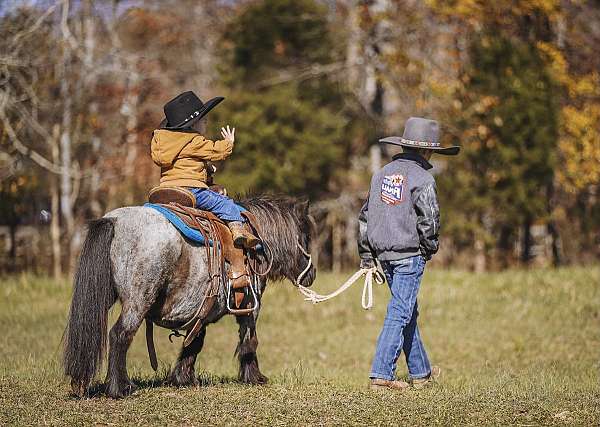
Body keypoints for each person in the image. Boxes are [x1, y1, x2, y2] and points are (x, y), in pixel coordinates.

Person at [358, 117, 460, 391]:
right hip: (409, 255)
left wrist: (367, 255)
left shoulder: (380, 175)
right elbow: (430, 220)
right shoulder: (423, 178)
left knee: (406, 312)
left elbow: (365, 217)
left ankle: (421, 373)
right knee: (400, 312)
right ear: (427, 152)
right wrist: (429, 249)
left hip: (384, 255)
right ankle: (381, 374)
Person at [150, 91, 258, 248]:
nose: (206, 121)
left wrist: (206, 169)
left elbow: (184, 164)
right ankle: (238, 231)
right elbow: (216, 151)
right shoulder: (193, 141)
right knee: (226, 204)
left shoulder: (166, 144)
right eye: (203, 119)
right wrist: (228, 142)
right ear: (194, 124)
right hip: (192, 190)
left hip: (167, 187)